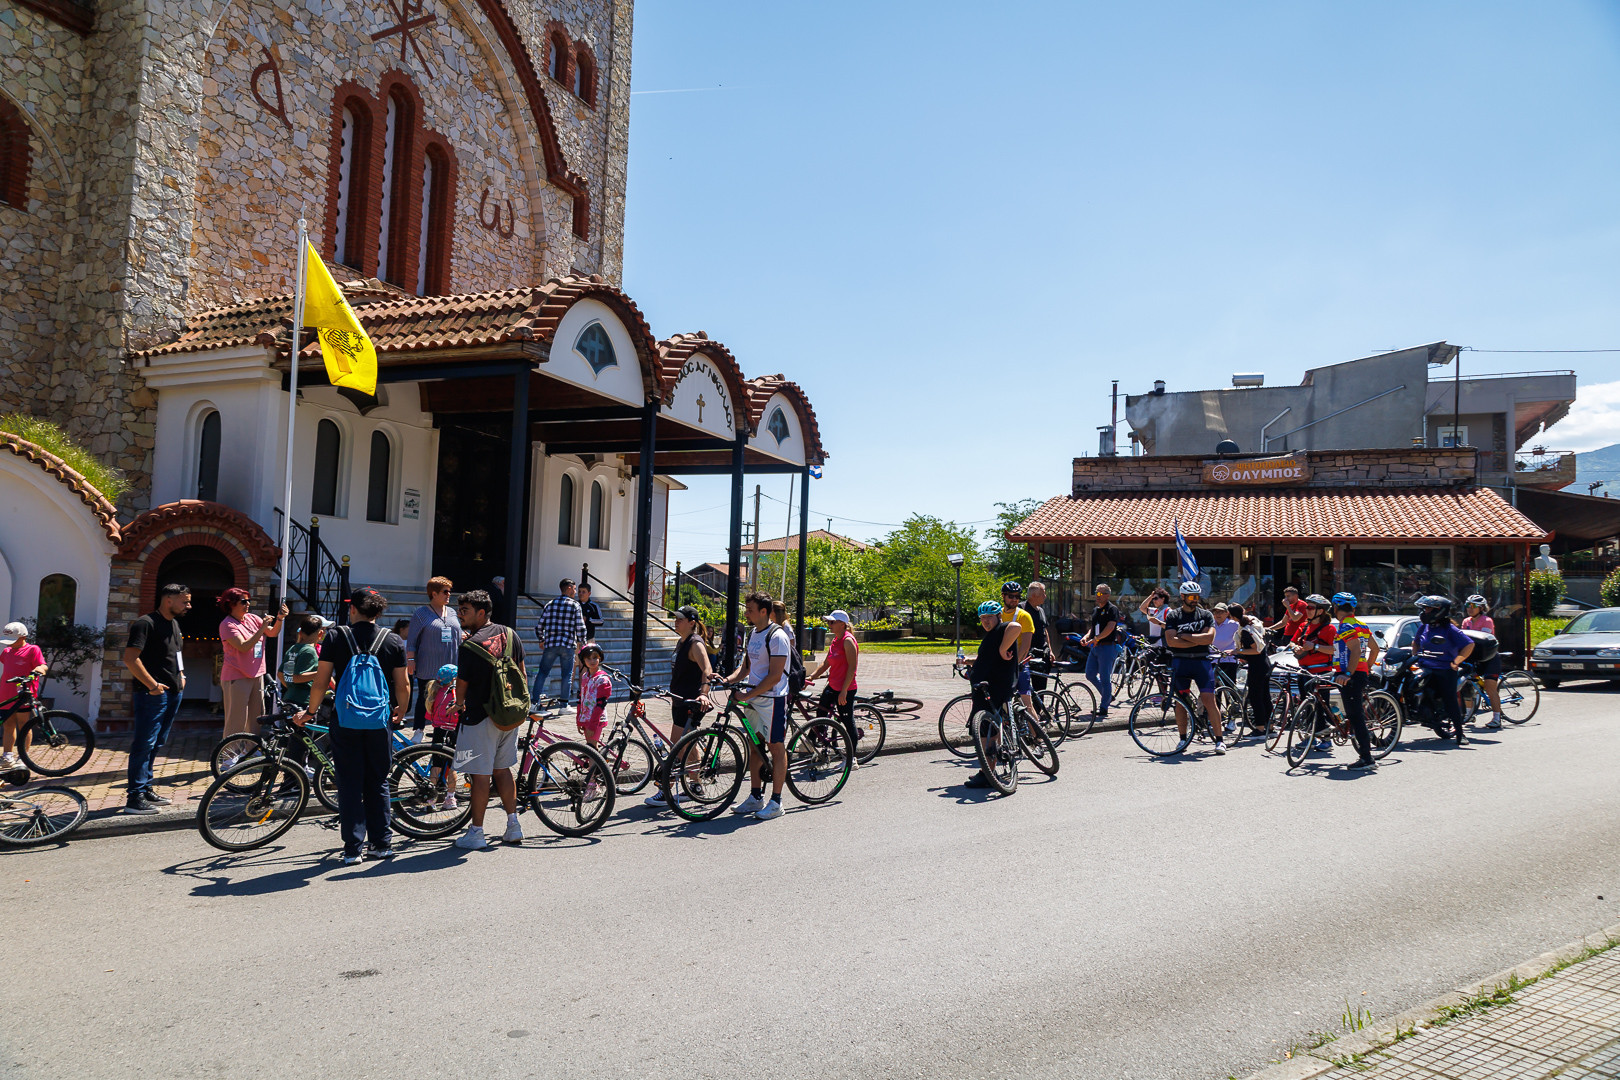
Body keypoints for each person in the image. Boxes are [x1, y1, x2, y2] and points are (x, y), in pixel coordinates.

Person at [296, 588, 409, 864]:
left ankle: (352, 849)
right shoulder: (393, 640)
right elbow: (403, 684)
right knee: (378, 781)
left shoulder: (336, 636)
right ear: (378, 613)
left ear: (353, 609)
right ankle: (381, 844)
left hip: (345, 719)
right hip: (378, 721)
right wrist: (400, 711)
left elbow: (321, 682)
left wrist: (310, 712)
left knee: (349, 783)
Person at [453, 589, 530, 849]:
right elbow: (521, 673)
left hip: (480, 716)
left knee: (480, 775)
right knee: (503, 770)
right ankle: (513, 825)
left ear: (481, 612)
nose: (460, 615)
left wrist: (458, 704)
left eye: (465, 611)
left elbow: (461, 685)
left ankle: (476, 833)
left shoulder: (469, 646)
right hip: (509, 714)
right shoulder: (511, 634)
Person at [719, 591, 793, 821]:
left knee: (776, 748)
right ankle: (755, 796)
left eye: (750, 609)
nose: (746, 613)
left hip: (772, 699)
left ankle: (776, 802)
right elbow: (746, 668)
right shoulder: (753, 634)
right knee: (754, 747)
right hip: (754, 697)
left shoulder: (777, 636)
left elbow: (774, 676)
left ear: (764, 611)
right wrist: (727, 679)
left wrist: (747, 694)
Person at [121, 583, 191, 814]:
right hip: (152, 694)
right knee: (144, 744)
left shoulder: (174, 624)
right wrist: (152, 685)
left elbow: (177, 652)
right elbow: (131, 658)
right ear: (168, 599)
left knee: (157, 743)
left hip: (172, 692)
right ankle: (134, 798)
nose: (188, 605)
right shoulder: (145, 623)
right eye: (185, 601)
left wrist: (181, 675)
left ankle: (146, 788)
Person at [644, 606, 714, 809]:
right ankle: (696, 786)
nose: (676, 622)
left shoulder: (695, 643)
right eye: (676, 618)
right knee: (686, 745)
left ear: (692, 622)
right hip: (679, 700)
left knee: (676, 745)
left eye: (680, 619)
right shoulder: (682, 641)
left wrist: (704, 693)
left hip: (691, 701)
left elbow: (707, 668)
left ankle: (666, 790)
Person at [217, 587, 287, 750]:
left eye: (248, 600)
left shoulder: (252, 618)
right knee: (236, 718)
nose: (248, 604)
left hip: (257, 674)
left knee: (257, 715)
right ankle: (229, 754)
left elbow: (273, 633)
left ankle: (250, 749)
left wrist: (280, 619)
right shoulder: (227, 624)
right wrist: (262, 628)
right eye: (243, 601)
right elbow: (243, 646)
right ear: (231, 604)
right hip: (237, 675)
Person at [1163, 581, 1226, 754]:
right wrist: (1196, 639)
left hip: (1201, 662)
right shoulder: (1173, 616)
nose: (1194, 600)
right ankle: (1183, 739)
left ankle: (1220, 740)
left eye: (1197, 596)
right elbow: (1170, 641)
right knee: (1181, 703)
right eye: (1191, 597)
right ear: (1182, 597)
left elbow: (1208, 639)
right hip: (1180, 662)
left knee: (1209, 700)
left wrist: (1184, 636)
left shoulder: (1206, 614)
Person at [964, 600, 1021, 788]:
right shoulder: (990, 636)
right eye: (982, 618)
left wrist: (1004, 649)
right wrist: (969, 662)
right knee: (985, 728)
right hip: (983, 688)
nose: (986, 621)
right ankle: (989, 771)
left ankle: (987, 773)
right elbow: (988, 658)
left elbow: (1016, 626)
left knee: (986, 730)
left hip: (995, 688)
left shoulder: (1003, 629)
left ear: (998, 616)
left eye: (989, 617)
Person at [405, 577, 462, 740]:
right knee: (426, 696)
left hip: (450, 663)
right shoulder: (421, 614)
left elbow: (456, 633)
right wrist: (410, 659)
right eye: (445, 591)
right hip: (429, 663)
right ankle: (419, 729)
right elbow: (412, 639)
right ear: (434, 594)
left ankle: (446, 726)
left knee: (449, 696)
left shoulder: (451, 612)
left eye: (450, 591)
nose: (449, 594)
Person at [1413, 595, 1473, 745]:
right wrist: (1415, 655)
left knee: (1450, 699)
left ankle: (1460, 733)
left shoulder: (1449, 629)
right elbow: (1416, 643)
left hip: (1445, 669)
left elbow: (1469, 645)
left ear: (1439, 611)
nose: (1425, 611)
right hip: (1425, 668)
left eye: (1428, 609)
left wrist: (1456, 661)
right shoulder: (1424, 627)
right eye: (1424, 609)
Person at [1331, 592, 1378, 770]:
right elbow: (1375, 649)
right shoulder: (1361, 624)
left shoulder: (1345, 626)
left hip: (1350, 675)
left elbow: (1356, 650)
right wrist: (1367, 667)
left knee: (1356, 716)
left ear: (1335, 608)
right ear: (1353, 609)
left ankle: (1367, 758)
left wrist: (1350, 673)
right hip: (1355, 673)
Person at [807, 609, 860, 753]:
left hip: (846, 688)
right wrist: (811, 677)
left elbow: (852, 668)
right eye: (828, 622)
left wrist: (844, 691)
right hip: (832, 685)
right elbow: (826, 664)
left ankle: (852, 757)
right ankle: (819, 743)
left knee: (847, 722)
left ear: (842, 624)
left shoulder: (848, 641)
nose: (829, 624)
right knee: (821, 713)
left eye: (832, 622)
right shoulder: (836, 640)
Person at [1292, 594, 1339, 751]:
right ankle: (1309, 737)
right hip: (1304, 671)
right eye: (1307, 607)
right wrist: (1295, 648)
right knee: (1305, 705)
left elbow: (1334, 649)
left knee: (1320, 705)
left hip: (1321, 672)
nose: (1307, 610)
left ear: (1321, 611)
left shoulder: (1330, 629)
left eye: (1311, 608)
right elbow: (1292, 641)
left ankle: (1326, 740)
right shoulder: (1304, 626)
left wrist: (1316, 647)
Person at [0, 623, 48, 770]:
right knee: (8, 725)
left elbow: (43, 666)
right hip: (6, 693)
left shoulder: (33, 650)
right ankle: (7, 756)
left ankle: (23, 757)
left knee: (24, 725)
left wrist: (38, 670)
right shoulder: (6, 652)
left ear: (23, 637)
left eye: (13, 639)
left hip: (24, 694)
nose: (10, 643)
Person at [533, 578, 586, 704]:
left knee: (542, 673)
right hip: (567, 644)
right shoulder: (575, 605)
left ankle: (534, 703)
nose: (575, 591)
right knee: (566, 675)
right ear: (568, 588)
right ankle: (563, 705)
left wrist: (541, 639)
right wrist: (583, 643)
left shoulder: (550, 604)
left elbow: (539, 626)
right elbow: (580, 627)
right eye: (574, 588)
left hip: (551, 644)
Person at [1079, 584, 1122, 719]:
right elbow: (1093, 628)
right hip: (1096, 646)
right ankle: (1108, 696)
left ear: (1107, 595)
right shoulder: (1096, 610)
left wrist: (1097, 638)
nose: (1097, 596)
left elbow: (1110, 627)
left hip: (1107, 647)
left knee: (1104, 677)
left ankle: (1104, 707)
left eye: (1099, 594)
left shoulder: (1112, 609)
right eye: (1096, 593)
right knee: (1090, 674)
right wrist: (1086, 637)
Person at [1461, 595, 1503, 730]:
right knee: (1465, 684)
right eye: (1468, 606)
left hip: (1489, 657)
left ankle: (1497, 718)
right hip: (1474, 657)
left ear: (1481, 608)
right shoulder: (1466, 621)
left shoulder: (1487, 621)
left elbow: (1483, 641)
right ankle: (1469, 714)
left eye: (1473, 606)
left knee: (1490, 687)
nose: (1470, 609)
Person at [423, 663, 461, 811]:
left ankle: (431, 800)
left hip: (439, 731)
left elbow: (429, 715)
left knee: (436, 766)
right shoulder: (456, 693)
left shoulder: (435, 693)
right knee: (453, 767)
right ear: (454, 679)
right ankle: (450, 799)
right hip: (453, 732)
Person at [1231, 603, 1272, 737]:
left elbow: (1255, 650)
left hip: (1257, 665)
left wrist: (1238, 651)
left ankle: (1260, 728)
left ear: (1232, 616)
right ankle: (1270, 727)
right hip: (1265, 663)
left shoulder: (1245, 630)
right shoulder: (1253, 621)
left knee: (1255, 697)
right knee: (1265, 696)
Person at [276, 614, 331, 713]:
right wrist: (321, 672)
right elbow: (298, 677)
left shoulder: (293, 648)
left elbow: (280, 674)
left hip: (289, 697)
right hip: (304, 701)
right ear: (320, 633)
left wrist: (290, 686)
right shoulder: (309, 651)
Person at [999, 581, 1037, 720]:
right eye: (1011, 596)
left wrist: (1016, 664)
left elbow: (1025, 646)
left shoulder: (1024, 616)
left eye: (1017, 596)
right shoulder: (998, 615)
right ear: (1003, 596)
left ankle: (1037, 737)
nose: (1014, 599)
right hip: (1001, 663)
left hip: (1019, 664)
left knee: (1027, 703)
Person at [575, 642, 613, 746]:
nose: (592, 661)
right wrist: (579, 720)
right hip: (586, 718)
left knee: (591, 748)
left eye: (595, 657)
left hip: (596, 720)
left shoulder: (602, 680)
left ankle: (596, 763)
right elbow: (580, 699)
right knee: (591, 747)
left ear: (600, 658)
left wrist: (592, 725)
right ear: (583, 660)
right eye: (588, 658)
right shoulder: (585, 676)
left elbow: (600, 704)